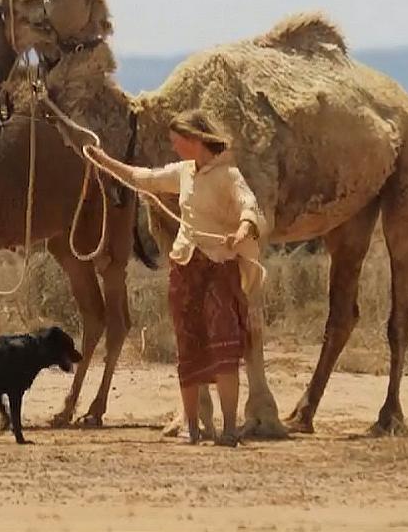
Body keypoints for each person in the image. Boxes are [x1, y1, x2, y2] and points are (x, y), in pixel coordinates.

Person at [71, 109, 266, 446]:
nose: (174, 147)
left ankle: (229, 428)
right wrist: (103, 160)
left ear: (195, 140)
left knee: (224, 346)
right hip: (186, 268)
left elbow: (249, 205)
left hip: (220, 267)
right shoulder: (184, 173)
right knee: (188, 348)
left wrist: (243, 229)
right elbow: (143, 178)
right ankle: (193, 428)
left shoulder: (228, 174)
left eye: (178, 141)